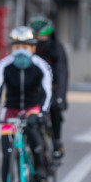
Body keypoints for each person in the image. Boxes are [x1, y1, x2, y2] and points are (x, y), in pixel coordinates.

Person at [0, 25, 53, 182]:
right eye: (16, 46)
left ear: (33, 49)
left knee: (34, 129)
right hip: (11, 109)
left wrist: (42, 111)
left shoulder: (41, 66)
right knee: (8, 158)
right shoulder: (3, 65)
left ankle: (40, 169)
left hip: (33, 107)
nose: (21, 51)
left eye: (25, 47)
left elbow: (47, 91)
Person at [30, 16, 69, 160]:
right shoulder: (29, 48)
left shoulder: (56, 48)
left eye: (43, 36)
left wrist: (61, 96)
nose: (40, 40)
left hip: (51, 87)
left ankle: (57, 141)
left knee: (55, 108)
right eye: (37, 36)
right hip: (33, 87)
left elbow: (62, 73)